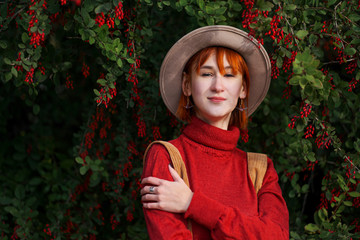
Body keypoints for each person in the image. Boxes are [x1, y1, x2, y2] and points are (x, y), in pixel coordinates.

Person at [140, 25, 289, 239]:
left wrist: (193, 203)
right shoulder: (166, 156)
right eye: (207, 73)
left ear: (243, 89)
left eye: (229, 75)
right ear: (187, 85)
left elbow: (278, 236)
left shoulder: (260, 169)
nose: (218, 86)